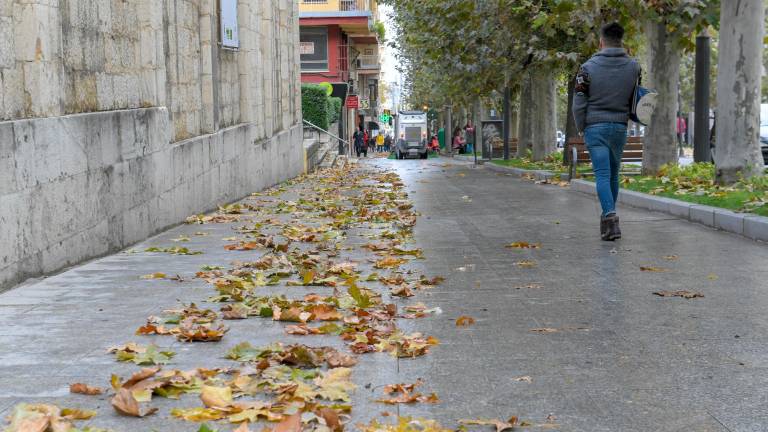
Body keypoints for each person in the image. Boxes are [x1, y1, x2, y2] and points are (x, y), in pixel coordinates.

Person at [573, 22, 640, 241]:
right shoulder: (634, 67)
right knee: (613, 173)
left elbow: (578, 102)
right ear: (621, 41)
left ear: (601, 42)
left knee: (602, 174)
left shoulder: (587, 68)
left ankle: (610, 218)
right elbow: (636, 97)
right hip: (620, 127)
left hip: (595, 127)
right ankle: (608, 220)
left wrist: (581, 126)